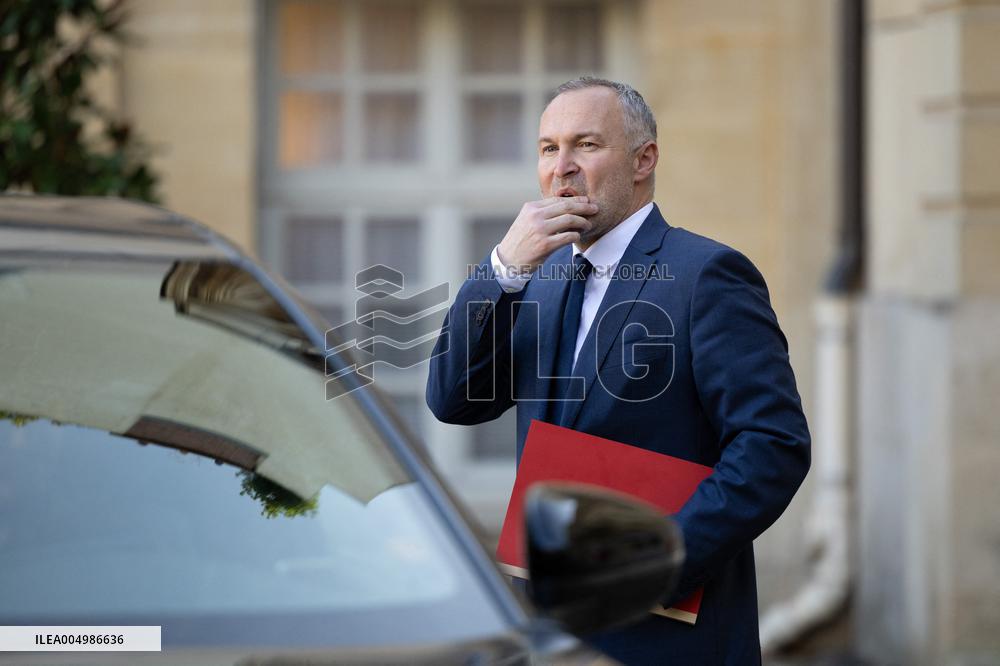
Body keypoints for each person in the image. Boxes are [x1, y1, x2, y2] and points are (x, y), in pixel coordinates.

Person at [425, 76, 811, 665]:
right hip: (551, 630)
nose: (563, 167)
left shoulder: (707, 274)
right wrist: (502, 268)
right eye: (549, 148)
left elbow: (773, 445)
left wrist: (658, 562)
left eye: (586, 144)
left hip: (669, 635)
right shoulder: (538, 280)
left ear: (643, 159)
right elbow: (452, 399)